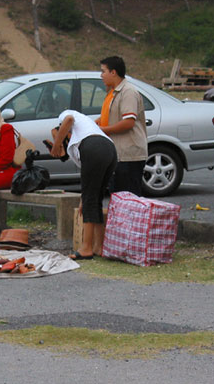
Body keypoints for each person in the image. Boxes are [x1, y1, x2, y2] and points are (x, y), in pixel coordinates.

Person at [50, 109, 117, 260]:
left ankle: (86, 247)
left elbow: (68, 119)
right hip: (110, 150)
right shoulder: (85, 128)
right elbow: (89, 187)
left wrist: (56, 144)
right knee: (95, 199)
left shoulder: (67, 115)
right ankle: (98, 246)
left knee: (91, 201)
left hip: (94, 148)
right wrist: (83, 198)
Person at [96, 56, 148, 196]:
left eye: (103, 71)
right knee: (118, 197)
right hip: (117, 155)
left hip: (129, 156)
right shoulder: (113, 92)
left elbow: (128, 122)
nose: (101, 76)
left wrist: (103, 130)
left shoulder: (128, 92)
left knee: (128, 198)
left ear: (113, 72)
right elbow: (111, 116)